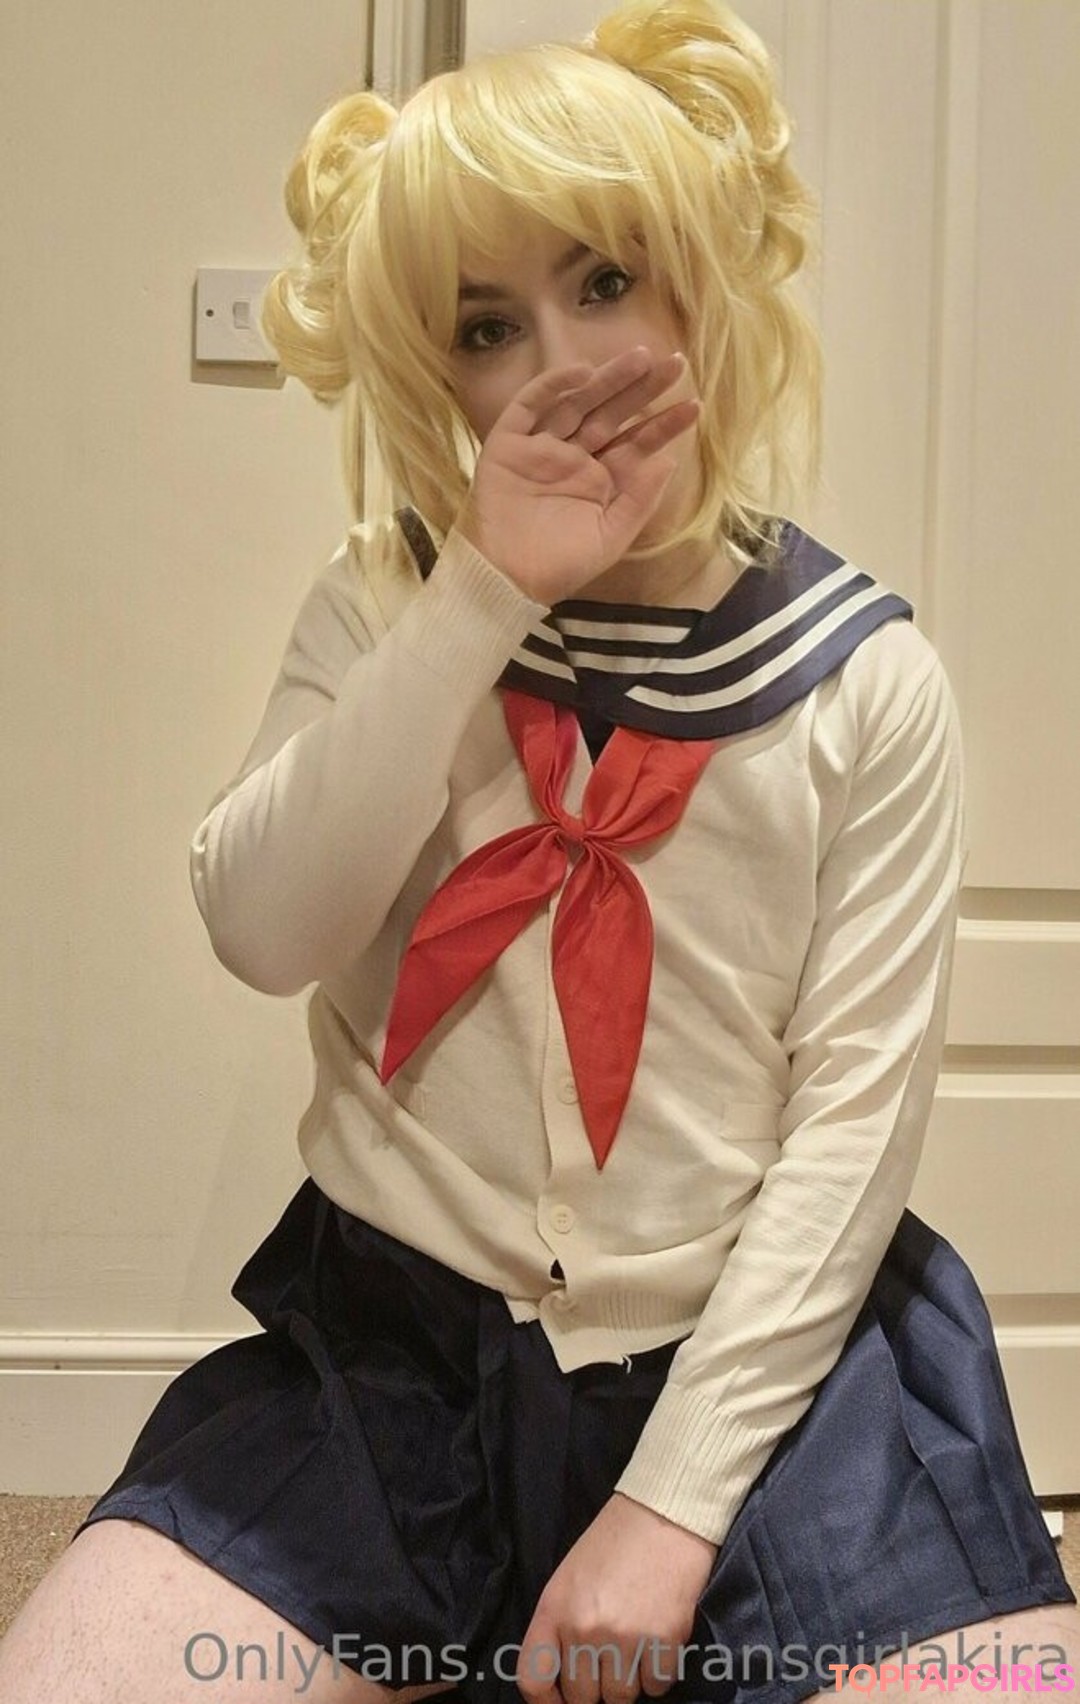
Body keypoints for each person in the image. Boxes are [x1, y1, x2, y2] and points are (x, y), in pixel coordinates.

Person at [1, 3, 1075, 1702]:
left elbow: (851, 1133)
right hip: (400, 1360)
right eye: (488, 325)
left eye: (607, 282)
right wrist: (479, 595)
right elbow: (263, 927)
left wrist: (670, 1505)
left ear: (701, 292)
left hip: (766, 1368)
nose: (561, 363)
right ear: (439, 374)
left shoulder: (867, 684)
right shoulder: (381, 604)